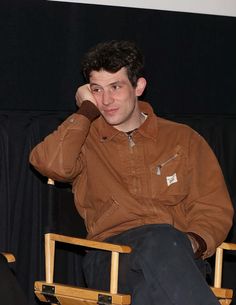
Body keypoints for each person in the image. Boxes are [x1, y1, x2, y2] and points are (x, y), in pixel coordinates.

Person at [30, 40, 234, 305]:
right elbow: (50, 164)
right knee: (162, 243)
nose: (105, 100)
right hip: (113, 258)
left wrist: (194, 242)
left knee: (155, 284)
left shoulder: (183, 139)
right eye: (97, 90)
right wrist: (85, 112)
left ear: (138, 87)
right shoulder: (84, 139)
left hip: (178, 258)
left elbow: (213, 207)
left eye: (115, 87)